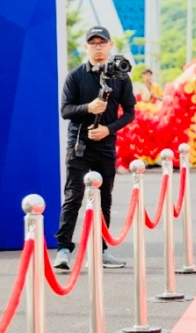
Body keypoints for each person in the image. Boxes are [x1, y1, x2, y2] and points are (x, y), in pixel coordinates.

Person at [53, 26, 135, 272]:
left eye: (102, 42)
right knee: (73, 196)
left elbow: (130, 112)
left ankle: (100, 250)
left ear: (110, 46)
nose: (98, 46)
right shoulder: (75, 76)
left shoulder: (121, 76)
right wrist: (89, 108)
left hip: (106, 145)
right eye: (93, 42)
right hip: (79, 144)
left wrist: (108, 129)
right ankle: (64, 249)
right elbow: (65, 110)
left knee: (105, 200)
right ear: (86, 46)